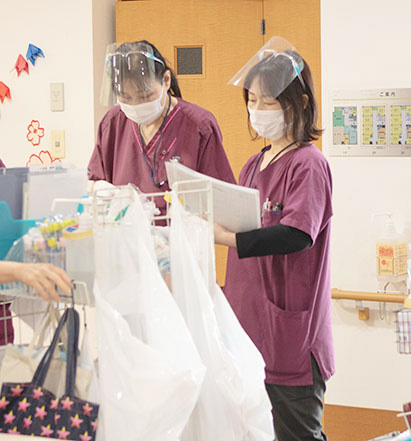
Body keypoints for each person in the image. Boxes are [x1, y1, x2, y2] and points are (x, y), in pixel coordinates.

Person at [215, 37, 333, 441]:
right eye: (252, 101)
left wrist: (228, 238)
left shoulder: (308, 164)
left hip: (290, 338)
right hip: (248, 332)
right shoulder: (254, 163)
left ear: (299, 103)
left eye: (268, 102)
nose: (257, 111)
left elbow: (297, 234)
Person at [88, 41, 235, 214]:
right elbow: (94, 180)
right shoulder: (113, 122)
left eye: (146, 96)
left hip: (183, 229)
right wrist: (99, 188)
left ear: (166, 80)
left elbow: (222, 200)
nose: (136, 105)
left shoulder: (198, 125)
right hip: (127, 229)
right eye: (126, 98)